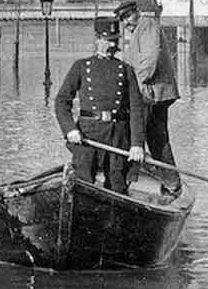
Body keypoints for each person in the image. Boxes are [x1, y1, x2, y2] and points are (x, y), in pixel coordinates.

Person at [53, 16, 147, 194]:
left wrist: (137, 144)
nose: (112, 45)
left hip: (117, 135)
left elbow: (136, 109)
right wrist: (70, 129)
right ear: (97, 40)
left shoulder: (126, 70)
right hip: (88, 134)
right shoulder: (81, 66)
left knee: (117, 184)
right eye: (107, 41)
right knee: (83, 182)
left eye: (115, 40)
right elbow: (62, 101)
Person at [116, 0, 183, 200]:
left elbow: (150, 59)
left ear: (138, 12)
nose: (125, 22)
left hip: (150, 93)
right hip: (156, 92)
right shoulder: (144, 26)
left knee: (137, 134)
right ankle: (170, 182)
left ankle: (127, 182)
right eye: (122, 18)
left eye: (128, 16)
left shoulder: (147, 25)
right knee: (155, 137)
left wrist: (132, 84)